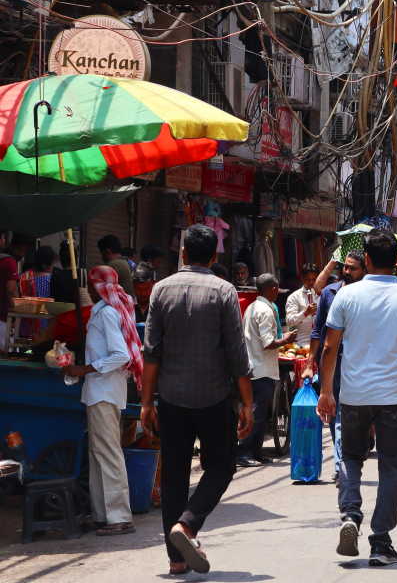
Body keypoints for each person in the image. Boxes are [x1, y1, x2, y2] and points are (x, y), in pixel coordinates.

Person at [141, 224, 254, 576]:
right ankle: (187, 525)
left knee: (174, 475)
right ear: (214, 256)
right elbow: (237, 353)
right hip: (214, 396)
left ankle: (175, 560)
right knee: (221, 466)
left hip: (171, 397)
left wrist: (146, 402)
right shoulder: (223, 291)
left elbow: (151, 353)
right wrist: (248, 403)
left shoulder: (161, 290)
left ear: (184, 254)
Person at [316, 231, 397, 567]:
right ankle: (380, 542)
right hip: (394, 397)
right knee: (391, 467)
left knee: (351, 458)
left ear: (366, 259)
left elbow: (329, 346)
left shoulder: (347, 296)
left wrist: (326, 391)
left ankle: (350, 514)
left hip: (353, 395)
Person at [62, 265, 142, 536]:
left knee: (107, 453)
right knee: (99, 454)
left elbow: (121, 355)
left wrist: (84, 369)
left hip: (104, 392)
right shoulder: (106, 311)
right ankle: (102, 514)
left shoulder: (107, 313)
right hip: (101, 392)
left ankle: (119, 516)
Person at [308, 251, 366, 483]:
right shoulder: (330, 293)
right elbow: (317, 330)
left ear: (364, 270)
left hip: (360, 363)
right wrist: (310, 361)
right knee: (335, 414)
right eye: (346, 267)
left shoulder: (367, 296)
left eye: (353, 268)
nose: (348, 272)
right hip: (332, 362)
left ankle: (347, 460)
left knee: (353, 415)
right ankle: (342, 463)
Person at [237, 274, 297, 467]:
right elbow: (268, 343)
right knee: (256, 413)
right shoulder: (265, 310)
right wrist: (286, 339)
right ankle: (245, 452)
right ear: (272, 289)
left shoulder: (253, 307)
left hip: (256, 366)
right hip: (261, 369)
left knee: (260, 413)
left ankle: (255, 451)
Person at [286, 263, 320, 345]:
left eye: (314, 279)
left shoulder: (321, 295)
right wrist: (305, 313)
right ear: (302, 278)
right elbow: (289, 321)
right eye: (308, 280)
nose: (311, 282)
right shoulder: (294, 297)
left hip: (319, 343)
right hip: (302, 343)